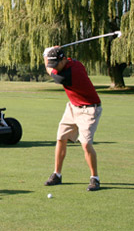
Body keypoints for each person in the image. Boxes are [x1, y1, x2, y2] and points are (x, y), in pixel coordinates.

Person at [43, 46, 102, 191]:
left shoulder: (70, 73)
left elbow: (50, 71)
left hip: (89, 109)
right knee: (61, 138)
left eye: (56, 64)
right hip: (73, 107)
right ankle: (57, 174)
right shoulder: (71, 62)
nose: (54, 67)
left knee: (86, 144)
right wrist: (50, 54)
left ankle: (95, 178)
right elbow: (55, 63)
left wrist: (45, 54)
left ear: (63, 59)